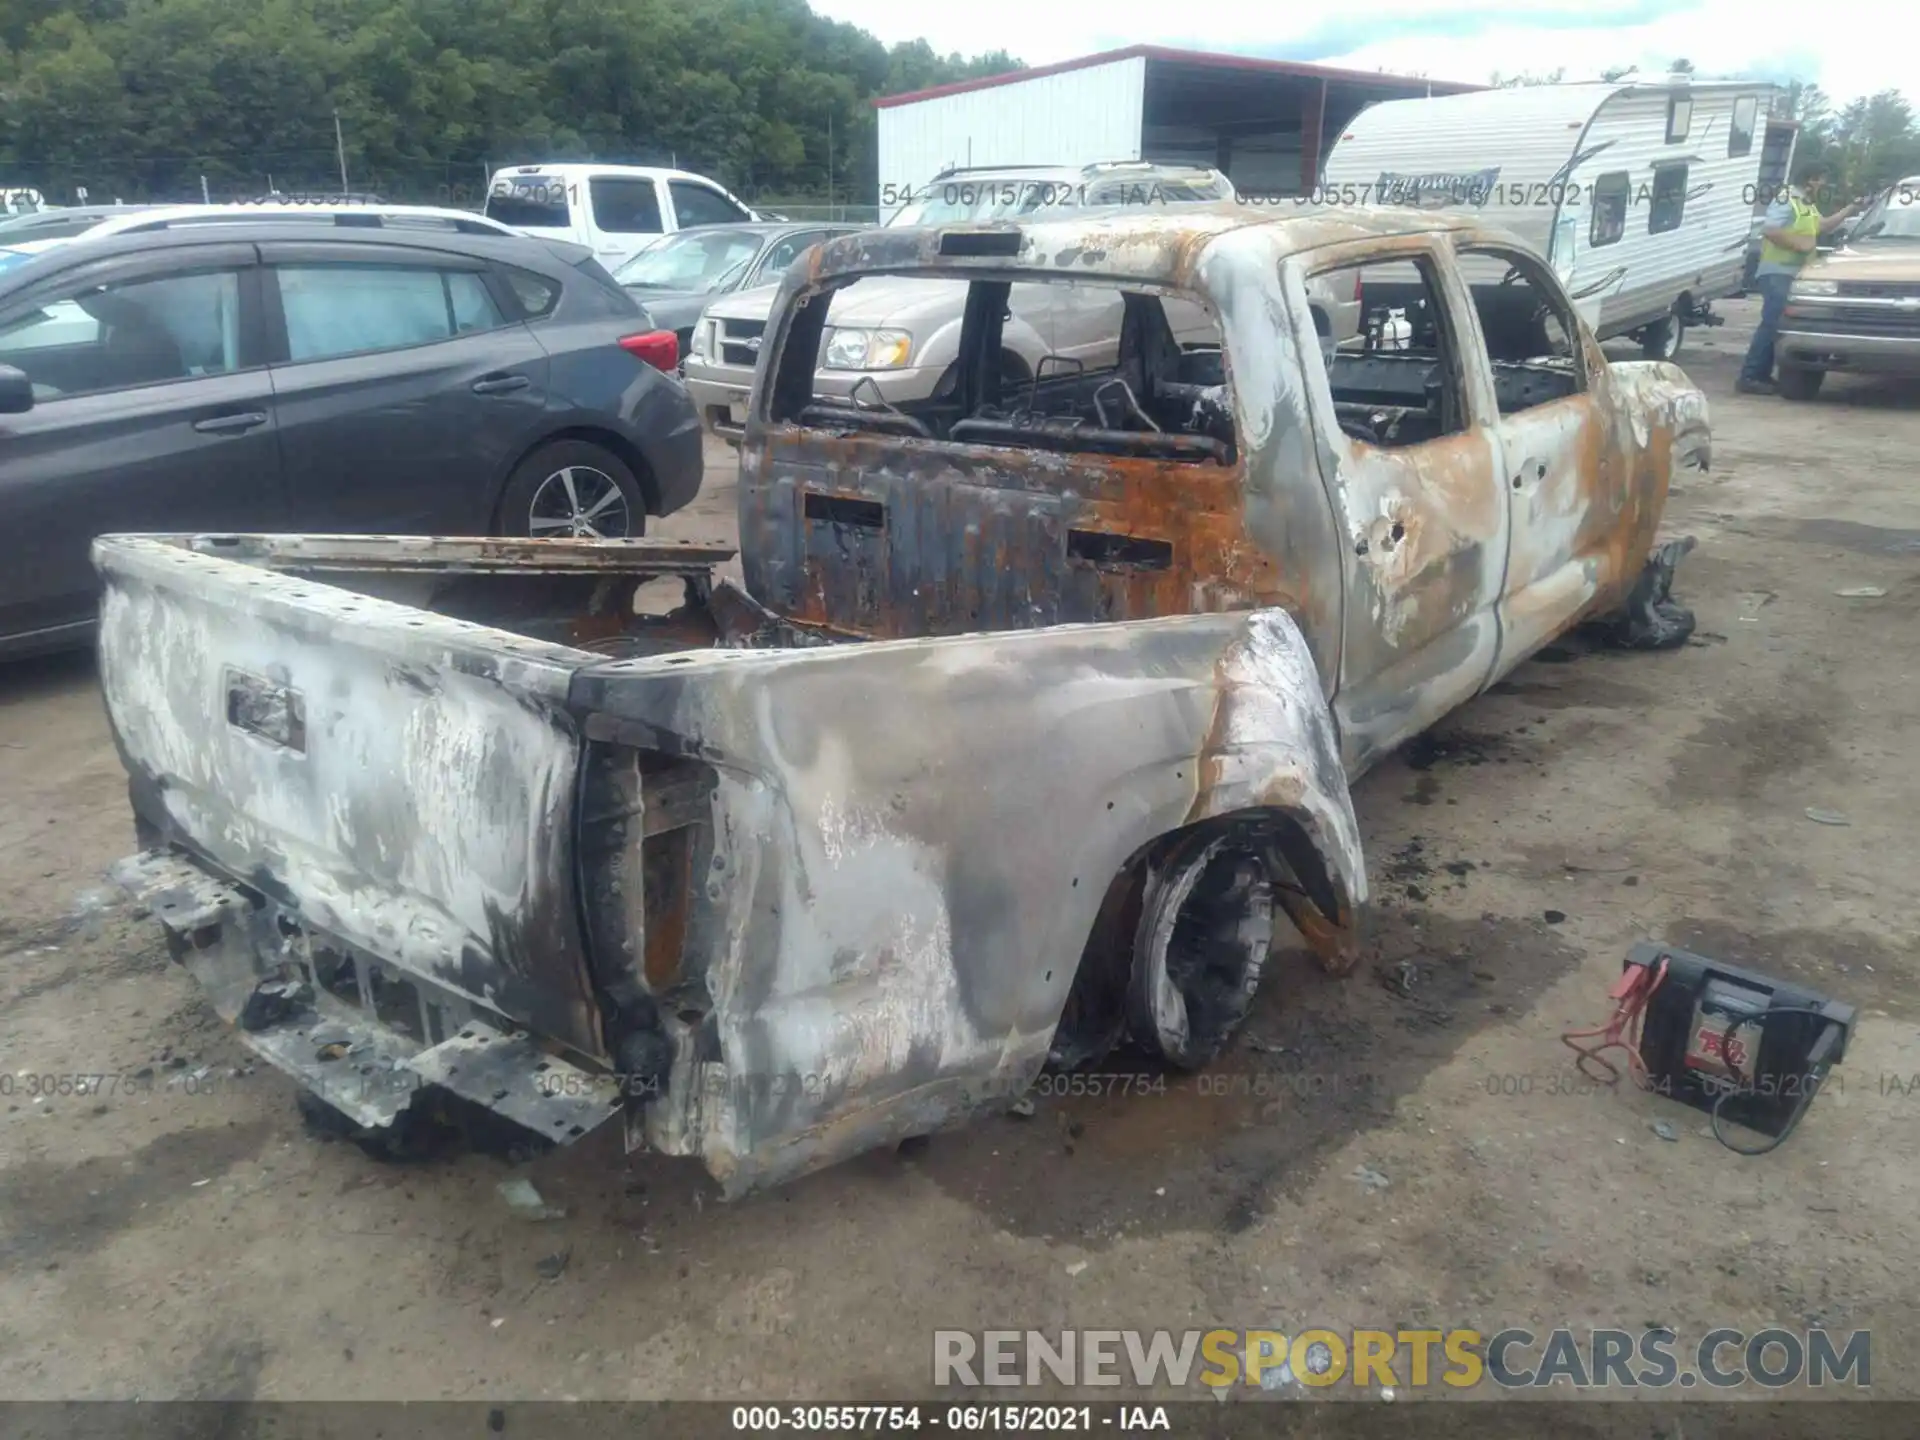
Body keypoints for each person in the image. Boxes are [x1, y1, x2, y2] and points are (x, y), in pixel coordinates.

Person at [1737, 162, 1863, 395]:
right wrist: (1799, 244)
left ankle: (1760, 376)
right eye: (1821, 179)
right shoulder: (1786, 198)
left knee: (1778, 325)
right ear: (1810, 180)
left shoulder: (1804, 203)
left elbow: (1822, 226)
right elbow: (1770, 230)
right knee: (1773, 323)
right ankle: (1750, 376)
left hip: (1794, 274)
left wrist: (1849, 210)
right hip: (1777, 271)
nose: (1823, 185)